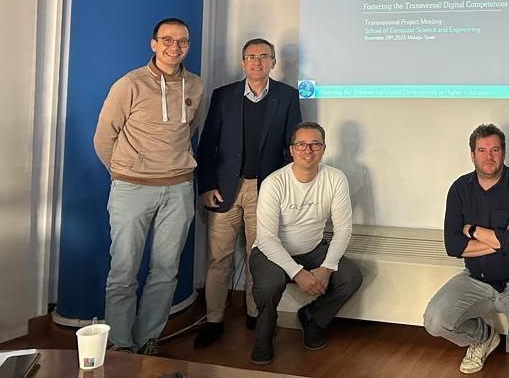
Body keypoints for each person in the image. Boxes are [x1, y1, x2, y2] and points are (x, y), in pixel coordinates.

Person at [92, 18, 205, 354]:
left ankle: (147, 339)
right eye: (167, 40)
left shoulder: (196, 86)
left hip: (179, 188)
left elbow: (189, 131)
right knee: (123, 271)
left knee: (166, 270)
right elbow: (104, 136)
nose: (175, 47)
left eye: (182, 41)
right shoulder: (129, 84)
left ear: (188, 46)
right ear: (153, 43)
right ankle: (121, 343)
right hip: (132, 189)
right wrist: (124, 172)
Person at [193, 38, 303, 348]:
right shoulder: (223, 95)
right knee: (219, 259)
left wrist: (287, 190)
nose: (257, 62)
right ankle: (214, 319)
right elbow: (207, 145)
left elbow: (292, 147)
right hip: (224, 190)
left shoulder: (287, 96)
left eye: (263, 56)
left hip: (265, 190)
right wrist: (207, 185)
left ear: (273, 62)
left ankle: (257, 316)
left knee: (261, 257)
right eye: (251, 57)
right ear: (243, 63)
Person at [423, 124, 509, 378]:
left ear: (504, 153)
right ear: (472, 155)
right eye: (482, 150)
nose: (488, 156)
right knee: (434, 321)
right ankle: (483, 337)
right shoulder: (459, 189)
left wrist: (472, 230)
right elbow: (453, 246)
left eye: (495, 150)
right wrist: (503, 239)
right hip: (474, 279)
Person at [248, 122, 363, 365]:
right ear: (291, 150)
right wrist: (298, 273)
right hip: (271, 253)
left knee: (351, 277)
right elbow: (267, 238)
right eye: (301, 144)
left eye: (315, 144)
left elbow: (343, 229)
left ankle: (312, 319)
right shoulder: (274, 183)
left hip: (313, 250)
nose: (308, 150)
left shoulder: (335, 178)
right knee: (269, 286)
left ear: (323, 149)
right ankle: (263, 337)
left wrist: (327, 268)